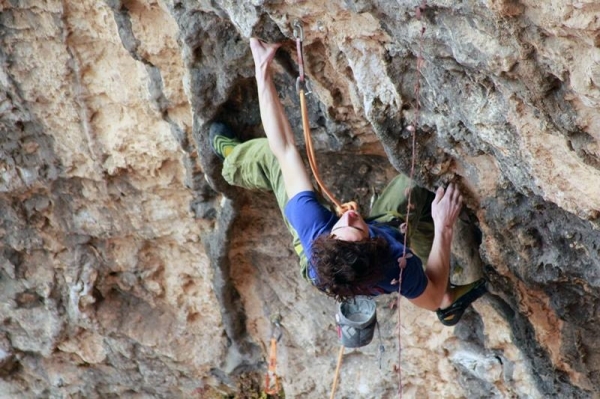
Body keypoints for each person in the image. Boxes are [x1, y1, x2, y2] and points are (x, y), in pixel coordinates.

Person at [210, 38, 486, 326]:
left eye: (343, 226)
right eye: (356, 226)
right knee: (417, 185)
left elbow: (286, 149)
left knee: (273, 156)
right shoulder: (395, 262)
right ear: (376, 242)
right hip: (379, 259)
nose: (351, 215)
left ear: (331, 235)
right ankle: (233, 160)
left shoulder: (313, 224)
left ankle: (233, 159)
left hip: (338, 255)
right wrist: (444, 226)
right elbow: (427, 302)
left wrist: (262, 68)